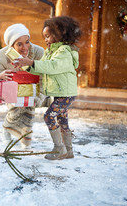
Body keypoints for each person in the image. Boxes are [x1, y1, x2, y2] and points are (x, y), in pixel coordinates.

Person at [14, 16, 82, 160]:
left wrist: (31, 61)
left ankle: (59, 148)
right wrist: (26, 65)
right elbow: (41, 68)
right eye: (44, 37)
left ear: (58, 34)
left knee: (49, 116)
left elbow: (52, 66)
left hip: (66, 94)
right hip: (61, 93)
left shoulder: (64, 51)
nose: (45, 40)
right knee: (62, 120)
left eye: (48, 36)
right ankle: (68, 151)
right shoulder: (50, 51)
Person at [0, 23, 44, 149]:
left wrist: (42, 95)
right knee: (14, 111)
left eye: (27, 42)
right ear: (11, 45)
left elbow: (45, 77)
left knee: (29, 111)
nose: (25, 47)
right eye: (19, 44)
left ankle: (26, 137)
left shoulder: (38, 52)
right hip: (12, 88)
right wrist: (0, 76)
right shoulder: (2, 55)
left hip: (33, 88)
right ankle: (7, 129)